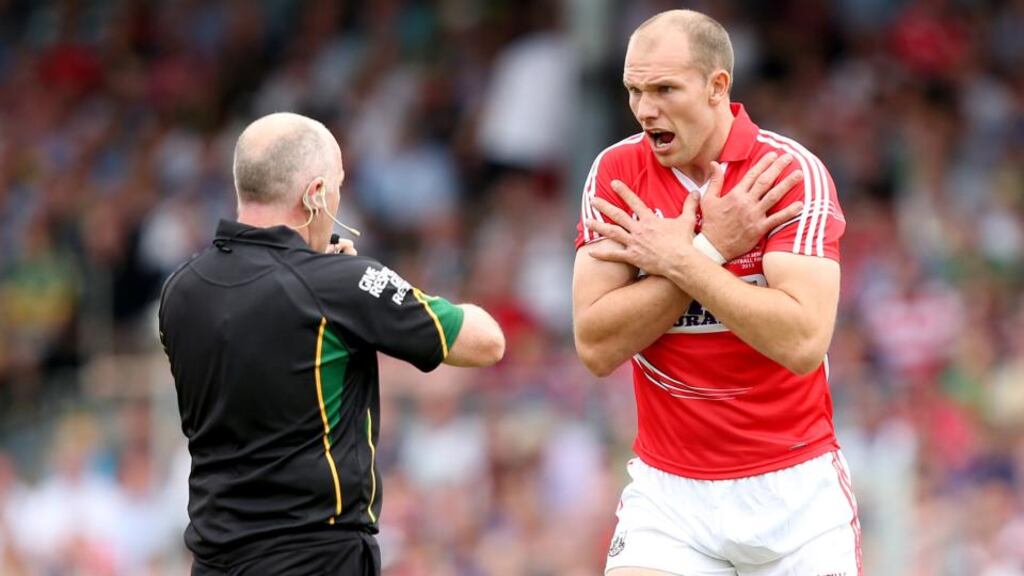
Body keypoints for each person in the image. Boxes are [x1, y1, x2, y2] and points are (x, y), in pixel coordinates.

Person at [572, 10, 859, 576]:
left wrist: (679, 260)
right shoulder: (615, 173)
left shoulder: (788, 173)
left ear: (717, 87)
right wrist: (708, 251)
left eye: (664, 89)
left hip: (794, 496)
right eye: (634, 90)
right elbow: (596, 345)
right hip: (669, 494)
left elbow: (801, 341)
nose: (644, 109)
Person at [158, 112, 505, 575]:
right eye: (338, 186)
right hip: (316, 555)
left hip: (214, 559)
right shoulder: (340, 285)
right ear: (315, 194)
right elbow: (486, 342)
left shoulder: (180, 290)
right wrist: (363, 284)